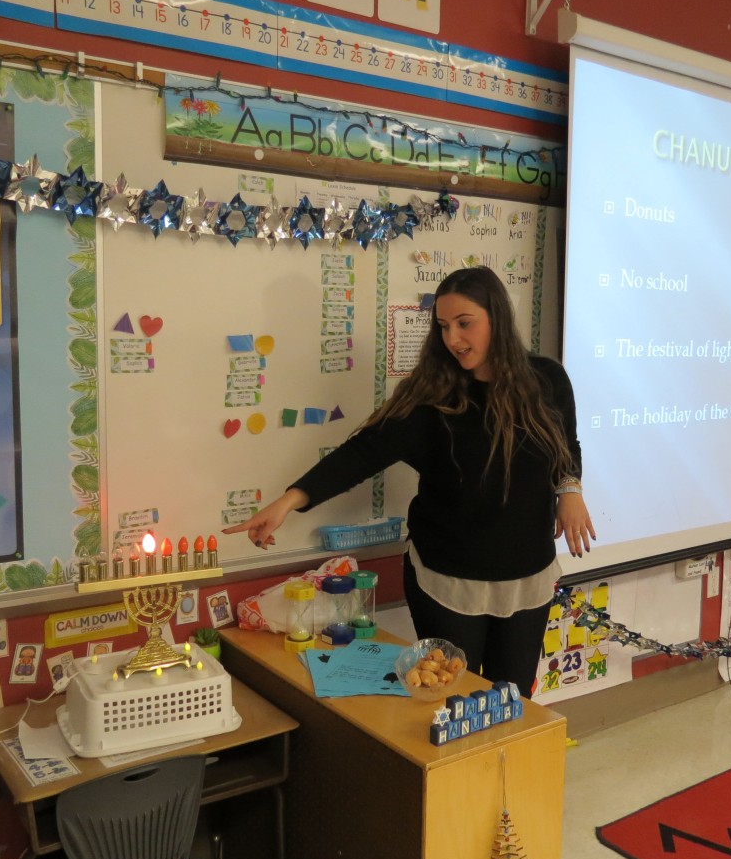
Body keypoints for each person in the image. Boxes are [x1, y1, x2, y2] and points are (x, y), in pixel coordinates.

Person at [224, 266, 594, 697]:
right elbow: (362, 454)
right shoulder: (432, 397)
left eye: (465, 323)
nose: (453, 338)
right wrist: (289, 500)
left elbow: (566, 445)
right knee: (452, 699)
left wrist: (570, 490)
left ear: (497, 317)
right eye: (443, 326)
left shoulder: (547, 380)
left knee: (513, 702)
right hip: (448, 578)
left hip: (527, 575)